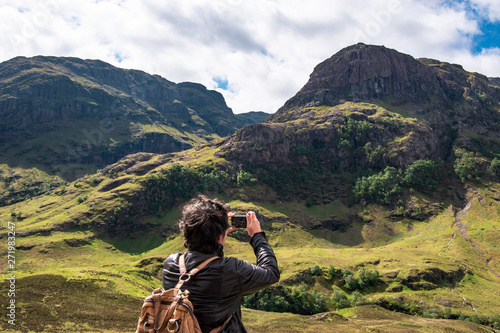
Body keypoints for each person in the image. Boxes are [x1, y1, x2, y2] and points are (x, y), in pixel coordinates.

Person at [162, 195, 280, 332]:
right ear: (219, 236)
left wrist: (216, 236)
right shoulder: (231, 269)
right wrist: (257, 236)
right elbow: (271, 273)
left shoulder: (170, 263)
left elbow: (199, 258)